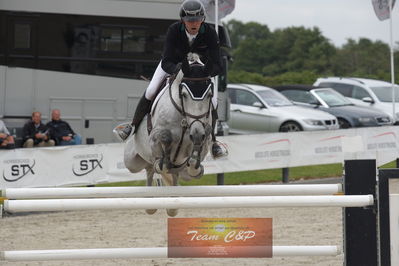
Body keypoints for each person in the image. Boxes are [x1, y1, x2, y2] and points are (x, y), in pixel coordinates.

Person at [116, 0, 227, 159]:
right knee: (151, 90)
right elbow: (167, 59)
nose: (193, 23)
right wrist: (178, 71)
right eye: (190, 20)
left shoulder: (210, 32)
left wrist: (206, 71)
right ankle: (132, 126)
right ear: (183, 20)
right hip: (173, 65)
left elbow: (218, 65)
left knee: (214, 101)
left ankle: (214, 142)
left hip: (200, 71)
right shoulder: (174, 30)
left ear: (202, 19)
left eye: (197, 19)